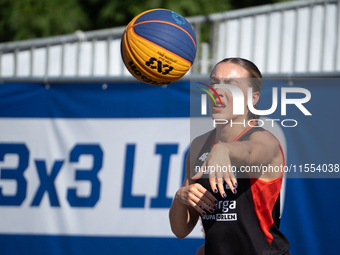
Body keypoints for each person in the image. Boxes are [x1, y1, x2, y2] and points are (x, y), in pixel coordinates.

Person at [169, 58, 291, 255]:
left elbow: (251, 152)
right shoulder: (199, 145)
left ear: (253, 98)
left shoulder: (266, 141)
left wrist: (223, 149)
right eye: (214, 82)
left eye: (231, 85)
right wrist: (179, 198)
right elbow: (181, 230)